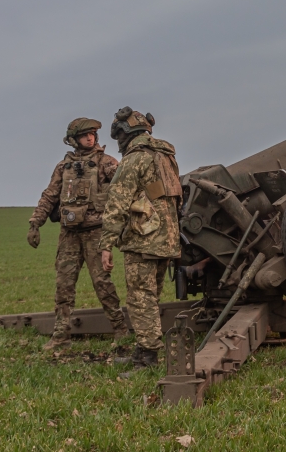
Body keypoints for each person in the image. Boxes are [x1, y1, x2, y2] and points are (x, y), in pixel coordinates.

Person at [29, 118, 129, 350]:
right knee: (64, 285)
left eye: (93, 134)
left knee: (102, 284)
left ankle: (121, 330)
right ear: (73, 139)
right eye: (85, 135)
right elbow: (50, 196)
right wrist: (35, 223)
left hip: (96, 233)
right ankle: (61, 336)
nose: (90, 138)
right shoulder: (63, 168)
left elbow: (124, 189)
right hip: (69, 234)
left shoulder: (106, 163)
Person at [99, 107, 182, 370]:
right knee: (151, 296)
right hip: (167, 239)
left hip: (143, 239)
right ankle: (142, 351)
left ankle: (147, 359)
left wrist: (106, 244)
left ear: (124, 134)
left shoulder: (135, 159)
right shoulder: (166, 156)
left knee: (140, 299)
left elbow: (117, 203)